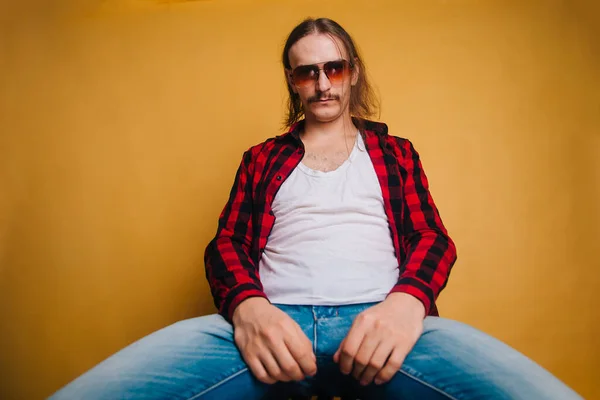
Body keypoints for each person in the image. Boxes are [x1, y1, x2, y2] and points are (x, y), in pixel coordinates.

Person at [50, 17, 582, 400]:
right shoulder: (262, 158)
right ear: (292, 80)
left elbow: (431, 238)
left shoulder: (396, 153)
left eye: (334, 68)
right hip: (269, 329)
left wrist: (407, 304)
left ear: (353, 71)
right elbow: (227, 245)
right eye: (307, 72)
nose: (322, 83)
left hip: (384, 327)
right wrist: (247, 311)